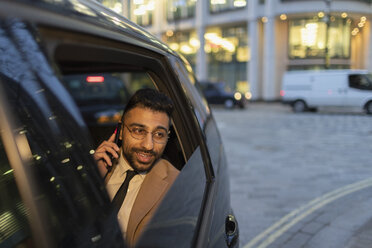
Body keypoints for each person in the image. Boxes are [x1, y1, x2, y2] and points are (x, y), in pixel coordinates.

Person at [93, 88, 179, 247]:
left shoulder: (177, 185)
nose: (148, 145)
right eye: (139, 131)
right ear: (120, 132)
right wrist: (90, 179)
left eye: (159, 134)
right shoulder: (98, 166)